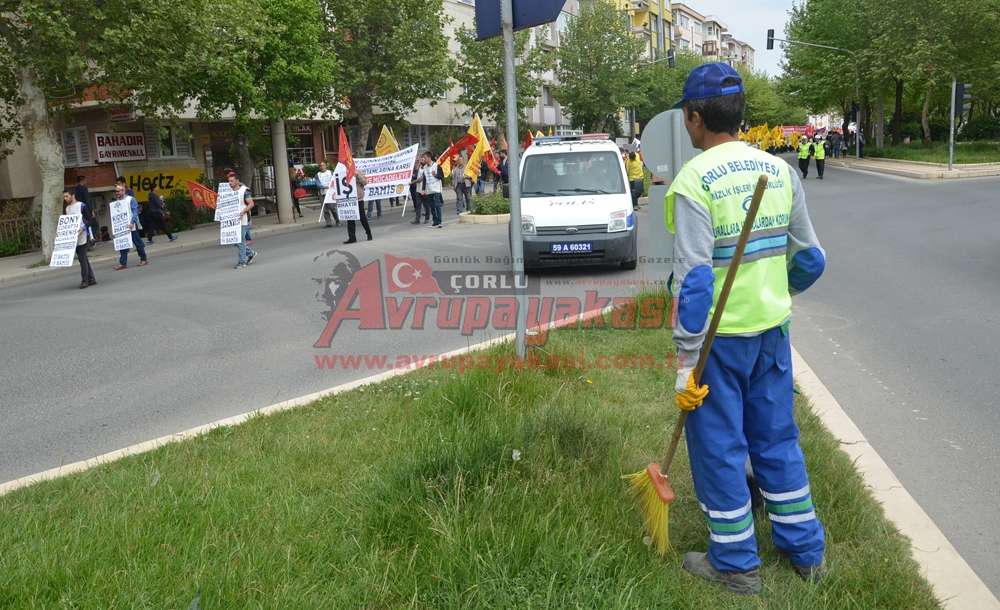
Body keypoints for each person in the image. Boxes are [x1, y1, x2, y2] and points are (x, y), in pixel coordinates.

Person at [666, 62, 827, 595]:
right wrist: (776, 293)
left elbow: (694, 285)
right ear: (741, 113)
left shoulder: (693, 181)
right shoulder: (779, 170)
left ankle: (735, 563)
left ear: (694, 118)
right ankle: (804, 550)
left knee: (719, 447)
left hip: (719, 344)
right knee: (777, 437)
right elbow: (811, 259)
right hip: (773, 336)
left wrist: (686, 366)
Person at [63, 190, 97, 289]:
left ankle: (85, 281)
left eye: (66, 196)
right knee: (83, 258)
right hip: (74, 237)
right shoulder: (67, 208)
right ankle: (91, 278)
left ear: (72, 196)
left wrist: (83, 228)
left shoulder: (82, 206)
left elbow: (91, 220)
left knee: (82, 258)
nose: (65, 199)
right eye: (64, 197)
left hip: (83, 235)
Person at [112, 183, 148, 270]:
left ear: (123, 191)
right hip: (122, 227)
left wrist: (132, 223)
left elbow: (135, 212)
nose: (116, 193)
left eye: (118, 191)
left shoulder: (131, 199)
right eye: (116, 191)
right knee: (123, 244)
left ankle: (143, 259)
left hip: (131, 226)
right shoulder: (116, 202)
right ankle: (123, 263)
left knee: (137, 242)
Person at [227, 171, 257, 269]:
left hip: (244, 220)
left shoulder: (244, 191)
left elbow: (251, 204)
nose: (230, 183)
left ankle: (242, 262)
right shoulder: (229, 192)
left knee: (240, 240)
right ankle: (251, 253)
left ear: (237, 181)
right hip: (234, 221)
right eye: (229, 181)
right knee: (235, 240)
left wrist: (243, 211)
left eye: (232, 181)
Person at [342, 166, 372, 244]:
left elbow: (365, 182)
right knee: (350, 219)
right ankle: (352, 238)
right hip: (349, 199)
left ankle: (368, 233)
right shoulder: (343, 173)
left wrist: (357, 175)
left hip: (359, 199)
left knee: (362, 218)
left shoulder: (358, 172)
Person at [419, 150, 444, 228]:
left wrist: (435, 175)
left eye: (425, 158)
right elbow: (425, 179)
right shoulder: (425, 168)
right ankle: (435, 221)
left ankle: (439, 222)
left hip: (436, 189)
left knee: (437, 205)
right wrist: (423, 189)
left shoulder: (437, 166)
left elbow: (441, 176)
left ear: (429, 158)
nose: (424, 159)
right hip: (429, 189)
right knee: (432, 206)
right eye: (423, 158)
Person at [316, 161, 339, 227]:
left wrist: (332, 186)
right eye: (320, 166)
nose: (322, 167)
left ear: (326, 166)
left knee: (332, 208)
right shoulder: (317, 174)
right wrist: (324, 187)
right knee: (325, 209)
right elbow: (318, 184)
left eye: (323, 165)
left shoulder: (330, 172)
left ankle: (337, 220)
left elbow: (335, 180)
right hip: (322, 193)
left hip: (331, 193)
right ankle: (328, 223)